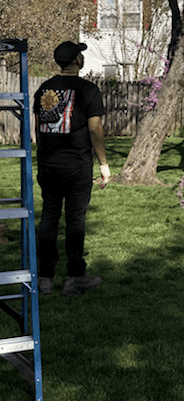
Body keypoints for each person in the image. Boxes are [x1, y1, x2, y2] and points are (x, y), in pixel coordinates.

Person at [33, 41, 110, 297]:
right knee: (75, 219)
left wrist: (41, 157)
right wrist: (104, 164)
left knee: (49, 216)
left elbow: (38, 127)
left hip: (48, 164)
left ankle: (44, 278)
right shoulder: (87, 90)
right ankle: (74, 277)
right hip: (76, 165)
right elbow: (95, 128)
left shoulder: (44, 89)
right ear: (77, 59)